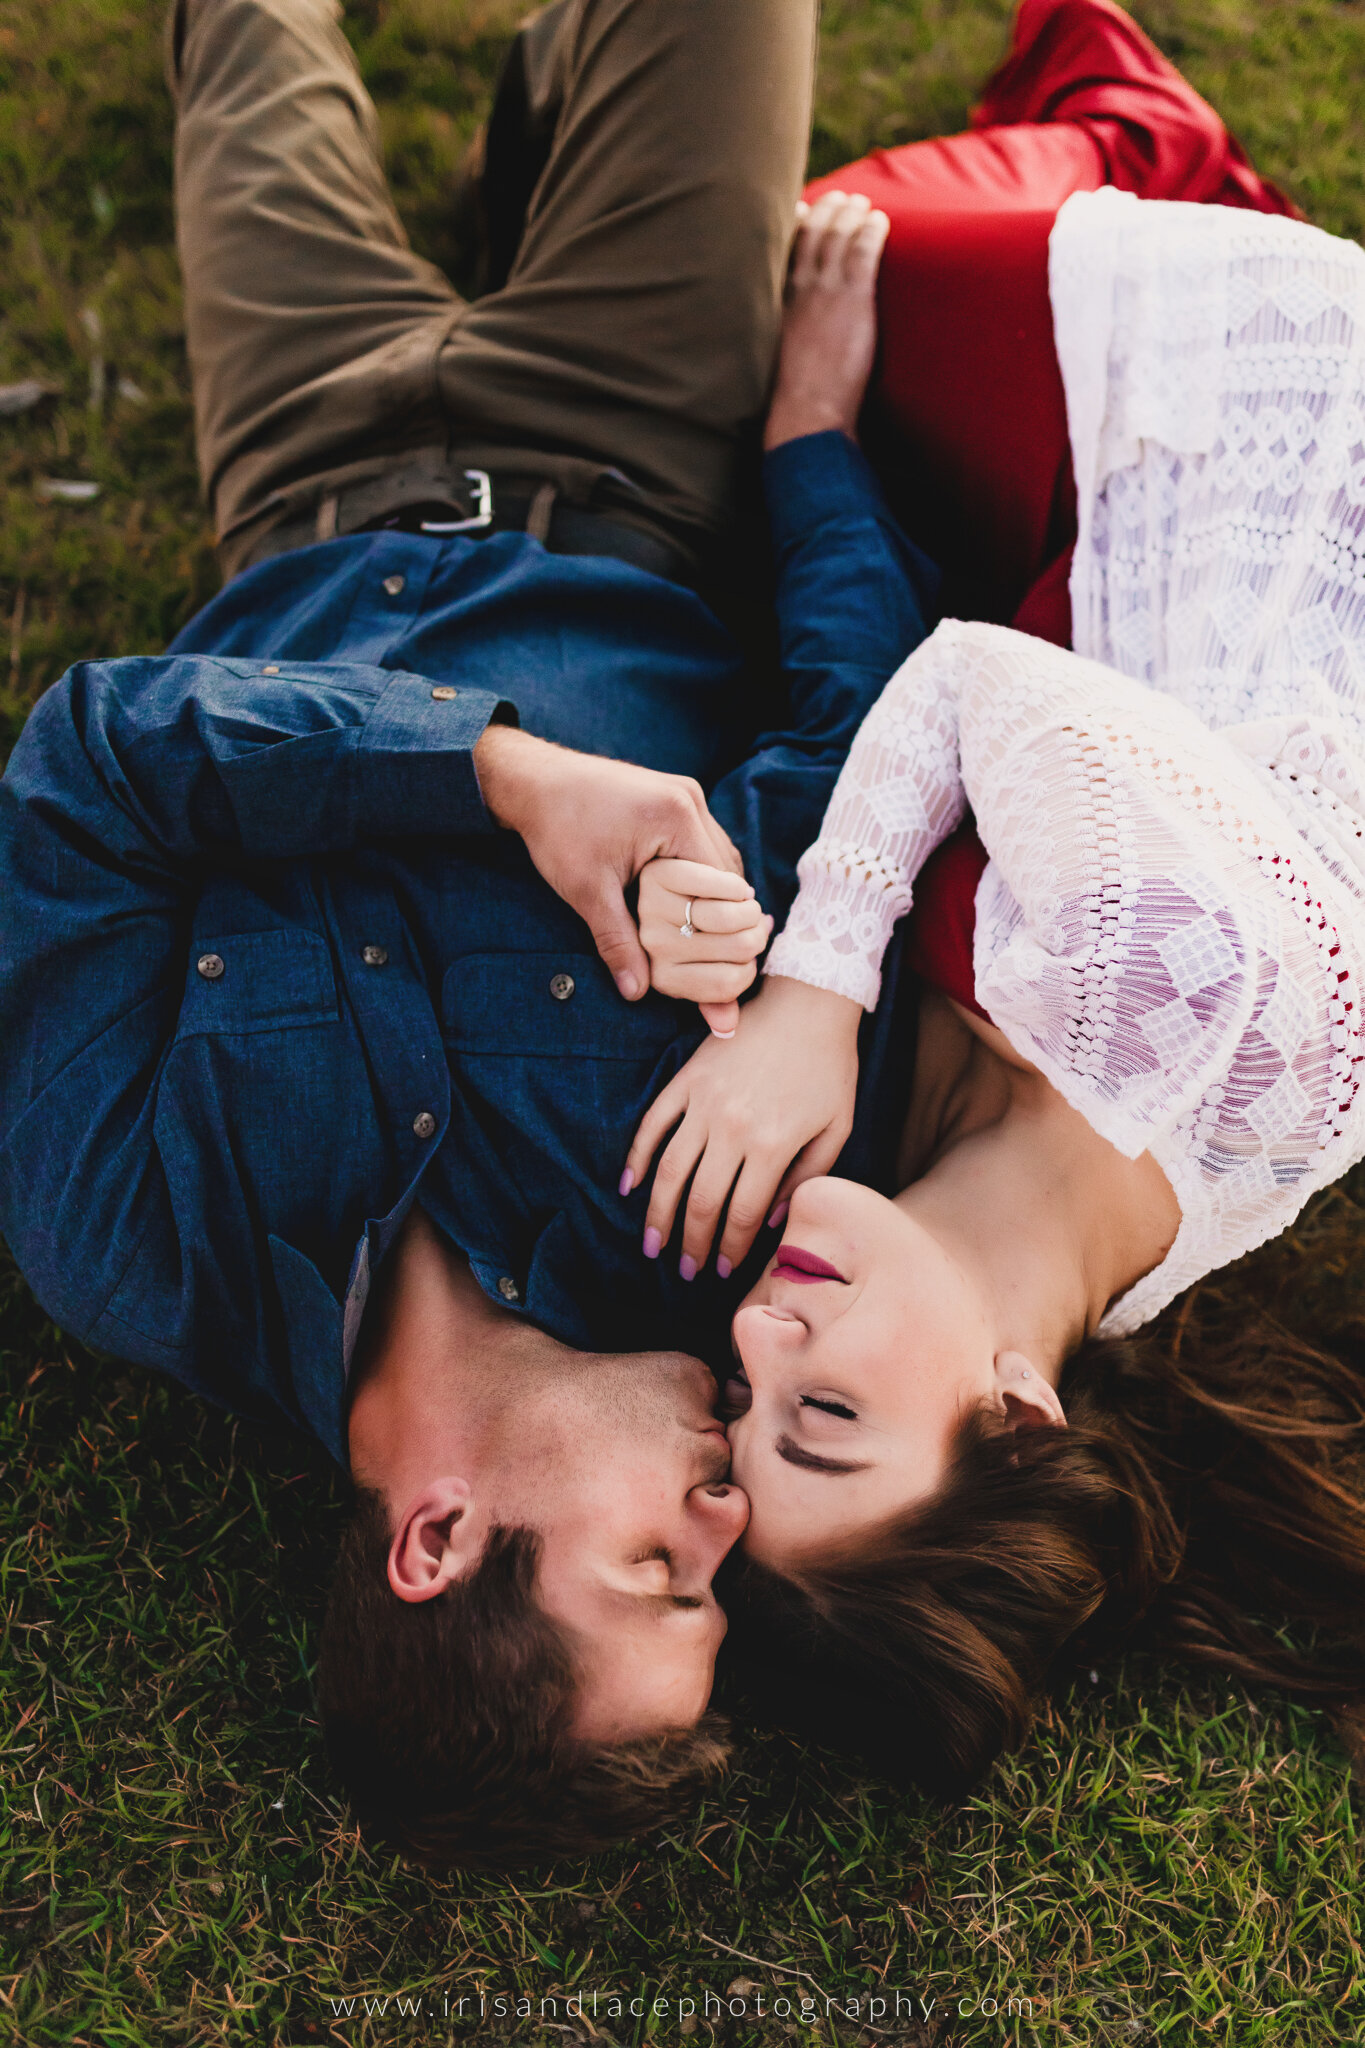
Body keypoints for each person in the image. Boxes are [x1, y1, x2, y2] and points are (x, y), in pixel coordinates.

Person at [0, 0, 939, 1868]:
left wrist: (497, 776)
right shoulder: (719, 1206)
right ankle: (556, 103)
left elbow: (88, 773)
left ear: (436, 1541)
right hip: (645, 449)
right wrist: (814, 438)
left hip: (302, 466)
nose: (724, 1521)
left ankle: (541, 114)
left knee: (244, 23)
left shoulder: (121, 1229)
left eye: (657, 1576)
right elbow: (858, 760)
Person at [626, 0, 1365, 1791]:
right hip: (1255, 453)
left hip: (1090, 599)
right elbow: (964, 686)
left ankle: (1115, 151)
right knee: (750, 265)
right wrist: (815, 992)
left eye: (743, 1414)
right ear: (1016, 1414)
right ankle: (1130, 119)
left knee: (740, 350)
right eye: (828, 1412)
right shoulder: (1155, 1012)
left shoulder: (1053, 1256)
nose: (751, 1333)